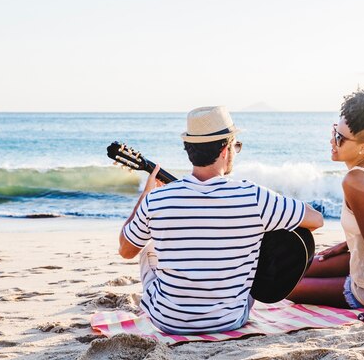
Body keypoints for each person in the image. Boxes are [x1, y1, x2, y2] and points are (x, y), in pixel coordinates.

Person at [118, 106, 323, 334]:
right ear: (225, 150)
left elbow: (126, 250)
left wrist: (144, 197)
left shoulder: (156, 199)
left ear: (189, 150)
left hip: (167, 321)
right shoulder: (254, 196)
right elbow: (316, 220)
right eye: (236, 145)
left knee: (149, 248)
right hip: (229, 319)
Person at [287, 85, 364, 324]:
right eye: (335, 130)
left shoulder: (355, 180)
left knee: (289, 288)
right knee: (299, 267)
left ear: (363, 147)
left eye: (340, 138)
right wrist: (346, 244)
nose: (332, 140)